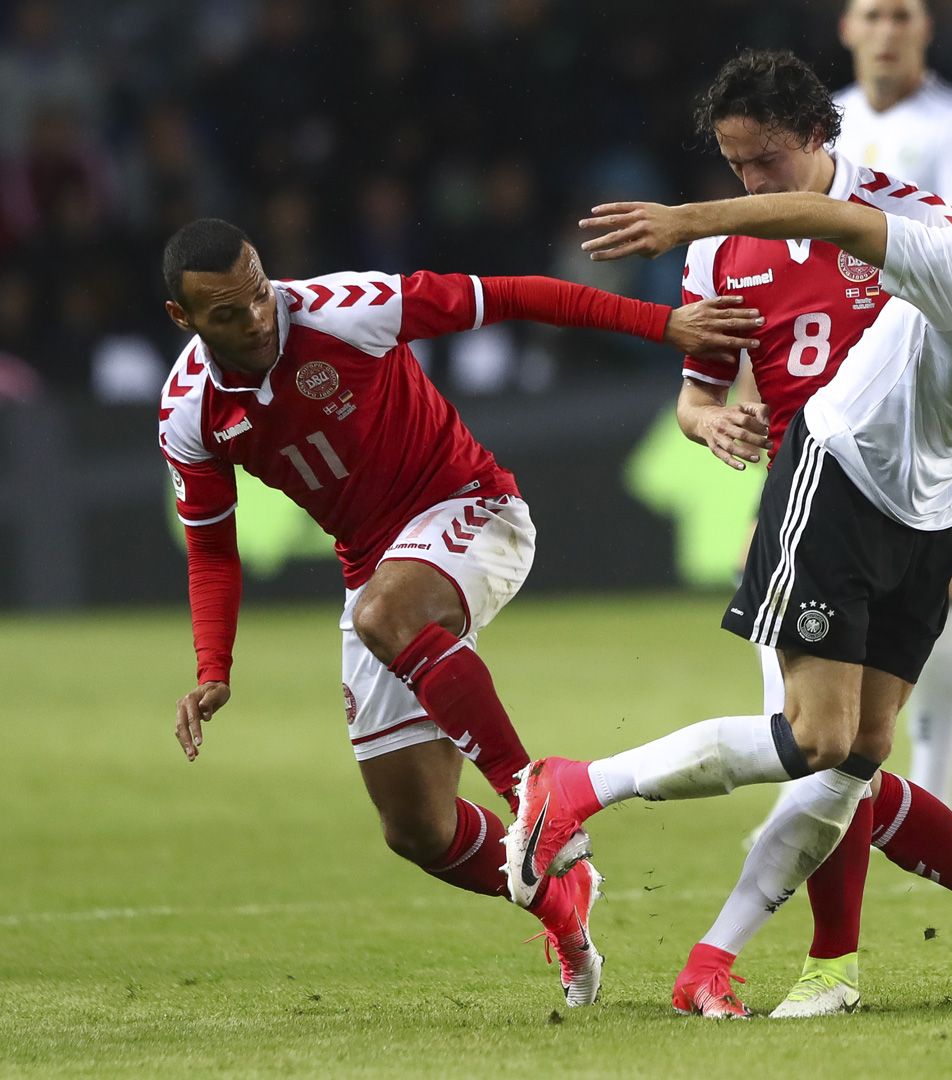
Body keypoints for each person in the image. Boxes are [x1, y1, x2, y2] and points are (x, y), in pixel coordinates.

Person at [505, 191, 952, 1016]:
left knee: (863, 752)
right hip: (841, 481)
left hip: (930, 520)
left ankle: (714, 964)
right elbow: (839, 221)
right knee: (817, 735)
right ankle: (575, 784)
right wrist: (691, 223)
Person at [158, 218, 762, 1006]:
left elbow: (516, 296)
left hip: (473, 508)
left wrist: (665, 324)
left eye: (259, 291)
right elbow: (210, 547)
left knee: (386, 616)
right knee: (418, 828)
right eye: (229, 313)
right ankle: (565, 909)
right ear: (185, 320)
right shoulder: (188, 412)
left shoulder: (347, 310)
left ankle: (535, 796)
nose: (259, 317)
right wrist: (214, 668)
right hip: (374, 573)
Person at [671, 47, 952, 1020]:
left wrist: (942, 515)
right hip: (802, 517)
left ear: (821, 138)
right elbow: (694, 401)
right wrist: (720, 424)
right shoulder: (717, 253)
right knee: (826, 751)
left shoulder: (912, 223)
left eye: (767, 162)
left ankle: (820, 963)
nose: (750, 184)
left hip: (911, 509)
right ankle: (844, 955)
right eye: (735, 167)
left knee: (849, 754)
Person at [830, 0, 952, 807]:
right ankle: (823, 770)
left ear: (925, 31)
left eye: (902, 14)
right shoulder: (824, 119)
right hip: (832, 376)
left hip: (926, 376)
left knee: (931, 581)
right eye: (872, 14)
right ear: (847, 28)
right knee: (819, 571)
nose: (887, 29)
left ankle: (929, 785)